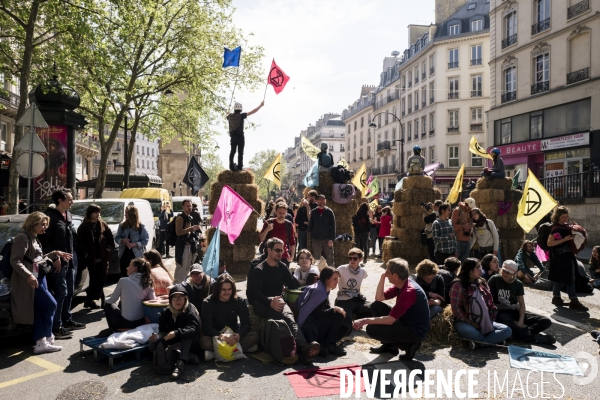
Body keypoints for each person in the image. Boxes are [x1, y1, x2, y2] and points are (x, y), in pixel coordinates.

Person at [246, 238, 321, 364]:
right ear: (269, 250)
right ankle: (290, 350)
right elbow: (254, 293)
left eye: (282, 250)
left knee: (290, 318)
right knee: (279, 319)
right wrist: (270, 301)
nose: (280, 253)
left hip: (278, 301)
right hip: (262, 302)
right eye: (277, 250)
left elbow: (293, 284)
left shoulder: (282, 267)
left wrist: (313, 285)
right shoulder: (259, 269)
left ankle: (303, 347)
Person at [11, 212, 72, 353]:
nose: (45, 227)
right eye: (43, 224)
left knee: (40, 309)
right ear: (33, 223)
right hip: (32, 280)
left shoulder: (34, 238)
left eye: (46, 224)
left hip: (40, 278)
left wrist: (55, 253)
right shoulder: (22, 237)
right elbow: (15, 260)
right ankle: (47, 337)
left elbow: (36, 258)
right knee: (51, 304)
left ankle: (41, 342)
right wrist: (28, 276)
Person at [353, 258, 430, 361]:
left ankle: (409, 345)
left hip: (415, 330)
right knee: (376, 306)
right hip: (405, 320)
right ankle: (390, 346)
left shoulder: (409, 291)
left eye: (387, 272)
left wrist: (364, 320)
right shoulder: (402, 283)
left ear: (395, 276)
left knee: (371, 329)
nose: (385, 273)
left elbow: (390, 320)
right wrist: (383, 277)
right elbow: (379, 298)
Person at [38, 189, 84, 338]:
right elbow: (44, 241)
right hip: (58, 262)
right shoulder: (50, 217)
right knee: (60, 292)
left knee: (70, 292)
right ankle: (56, 327)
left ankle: (67, 319)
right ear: (60, 200)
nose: (72, 201)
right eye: (70, 199)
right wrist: (55, 257)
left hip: (70, 260)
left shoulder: (68, 215)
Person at [449, 258, 512, 349]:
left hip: (484, 320)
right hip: (464, 321)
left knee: (507, 330)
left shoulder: (482, 283)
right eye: (478, 267)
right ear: (470, 271)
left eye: (481, 267)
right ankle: (494, 341)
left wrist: (487, 320)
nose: (481, 270)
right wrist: (471, 322)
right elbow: (456, 309)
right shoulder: (458, 285)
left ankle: (479, 344)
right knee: (472, 332)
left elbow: (490, 304)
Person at [488, 260, 555, 345]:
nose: (505, 274)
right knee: (507, 323)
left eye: (508, 272)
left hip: (514, 309)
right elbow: (486, 295)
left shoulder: (518, 284)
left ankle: (519, 334)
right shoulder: (495, 279)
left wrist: (521, 320)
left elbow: (522, 303)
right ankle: (533, 337)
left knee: (545, 321)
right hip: (500, 310)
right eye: (504, 271)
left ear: (514, 273)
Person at [201, 274, 258, 359]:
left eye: (229, 289)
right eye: (223, 289)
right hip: (217, 336)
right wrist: (222, 336)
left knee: (255, 336)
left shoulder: (239, 301)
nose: (227, 293)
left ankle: (216, 353)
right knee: (203, 342)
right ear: (217, 289)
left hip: (233, 335)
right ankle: (238, 350)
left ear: (233, 289)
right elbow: (207, 327)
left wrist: (239, 335)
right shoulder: (208, 303)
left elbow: (246, 324)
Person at [149, 284, 200, 379]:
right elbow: (163, 331)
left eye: (181, 297)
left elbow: (194, 329)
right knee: (152, 345)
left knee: (187, 336)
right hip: (174, 341)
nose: (178, 300)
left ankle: (180, 364)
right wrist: (157, 337)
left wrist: (176, 333)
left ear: (185, 299)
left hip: (190, 341)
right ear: (170, 300)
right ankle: (188, 357)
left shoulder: (189, 309)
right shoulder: (166, 312)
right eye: (175, 298)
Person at [296, 267, 349, 357]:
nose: (337, 281)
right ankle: (330, 345)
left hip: (312, 325)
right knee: (338, 315)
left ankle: (321, 345)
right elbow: (318, 314)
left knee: (345, 328)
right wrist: (334, 309)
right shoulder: (319, 291)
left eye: (337, 279)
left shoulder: (320, 287)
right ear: (327, 279)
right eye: (334, 279)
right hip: (309, 329)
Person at [546, 206, 588, 311]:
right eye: (563, 217)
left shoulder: (565, 226)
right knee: (569, 278)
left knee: (560, 278)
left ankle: (556, 297)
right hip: (560, 256)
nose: (565, 219)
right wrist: (564, 239)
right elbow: (550, 243)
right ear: (558, 217)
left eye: (566, 217)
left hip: (566, 255)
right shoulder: (556, 228)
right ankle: (573, 300)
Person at [77, 203, 116, 309]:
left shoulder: (103, 224)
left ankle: (90, 300)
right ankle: (100, 301)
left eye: (99, 212)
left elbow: (110, 239)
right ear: (90, 213)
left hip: (103, 258)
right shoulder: (84, 226)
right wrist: (85, 253)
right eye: (95, 212)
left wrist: (109, 248)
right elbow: (80, 242)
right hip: (91, 259)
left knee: (102, 279)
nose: (97, 214)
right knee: (95, 280)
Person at [104, 258, 156, 332]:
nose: (127, 268)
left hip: (126, 323)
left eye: (129, 266)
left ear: (135, 268)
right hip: (141, 322)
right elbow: (153, 301)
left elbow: (112, 300)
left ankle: (114, 330)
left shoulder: (123, 280)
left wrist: (105, 300)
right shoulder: (148, 282)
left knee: (107, 305)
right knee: (121, 303)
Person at [335, 248, 371, 331]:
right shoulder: (341, 269)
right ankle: (351, 317)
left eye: (355, 258)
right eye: (350, 258)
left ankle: (356, 316)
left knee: (374, 308)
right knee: (347, 327)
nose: (352, 260)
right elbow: (331, 276)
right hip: (343, 300)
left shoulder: (363, 272)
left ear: (360, 259)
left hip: (356, 299)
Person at [226, 101, 264, 171]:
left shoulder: (230, 116)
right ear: (241, 109)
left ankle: (231, 166)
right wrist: (260, 106)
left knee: (232, 151)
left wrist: (228, 113)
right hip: (240, 136)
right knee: (240, 152)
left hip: (233, 136)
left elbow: (227, 116)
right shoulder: (241, 115)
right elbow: (252, 112)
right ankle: (240, 167)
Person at [115, 205, 149, 278]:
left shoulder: (141, 226)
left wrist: (134, 244)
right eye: (125, 213)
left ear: (132, 214)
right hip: (124, 254)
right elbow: (117, 238)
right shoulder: (122, 225)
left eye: (127, 213)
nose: (125, 215)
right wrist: (122, 240)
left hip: (136, 255)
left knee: (137, 276)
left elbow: (145, 240)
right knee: (124, 275)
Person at [174, 199, 202, 283]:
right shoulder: (180, 218)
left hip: (189, 246)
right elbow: (178, 232)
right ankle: (177, 286)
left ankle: (184, 285)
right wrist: (191, 228)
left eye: (190, 206)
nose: (189, 208)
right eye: (187, 206)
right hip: (182, 246)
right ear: (183, 207)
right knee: (181, 267)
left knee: (188, 268)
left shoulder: (189, 217)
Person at [308, 194, 336, 266]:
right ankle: (316, 274)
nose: (322, 201)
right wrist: (309, 240)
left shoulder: (329, 212)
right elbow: (310, 226)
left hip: (327, 239)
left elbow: (333, 226)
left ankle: (331, 273)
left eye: (323, 199)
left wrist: (331, 239)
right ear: (317, 201)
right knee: (316, 259)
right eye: (320, 199)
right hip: (316, 239)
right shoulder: (314, 212)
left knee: (330, 259)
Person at [451, 197, 476, 262]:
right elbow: (452, 226)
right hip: (458, 241)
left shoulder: (470, 212)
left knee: (465, 262)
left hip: (467, 241)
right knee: (455, 261)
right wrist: (463, 226)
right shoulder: (457, 211)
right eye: (469, 207)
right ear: (465, 204)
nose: (470, 208)